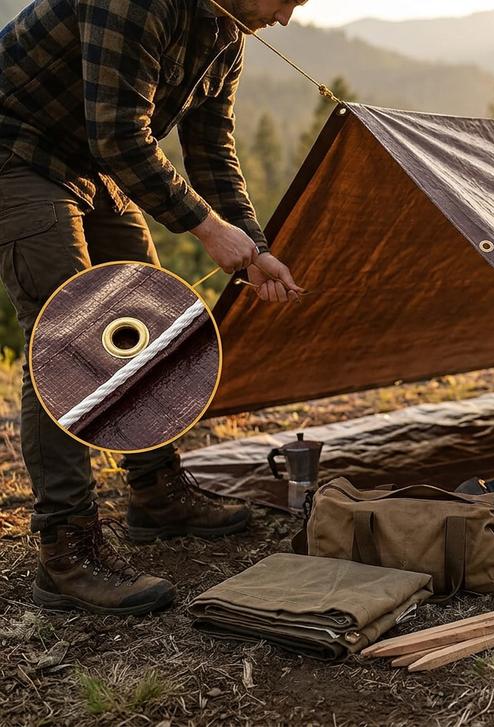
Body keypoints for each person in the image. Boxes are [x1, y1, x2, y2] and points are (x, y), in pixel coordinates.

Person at [0, 0, 309, 615]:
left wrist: (253, 248)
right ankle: (65, 550)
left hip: (91, 162)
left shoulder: (226, 30)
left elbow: (212, 149)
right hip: (17, 150)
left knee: (145, 316)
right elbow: (118, 132)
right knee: (66, 333)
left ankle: (156, 493)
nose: (287, 17)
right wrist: (207, 232)